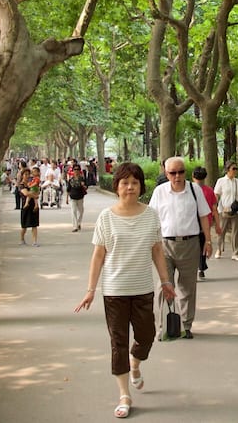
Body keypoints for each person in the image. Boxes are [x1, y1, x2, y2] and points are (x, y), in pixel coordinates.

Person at [73, 162, 175, 419]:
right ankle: (124, 394)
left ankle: (135, 364)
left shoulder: (150, 214)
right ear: (117, 186)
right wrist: (90, 289)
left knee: (147, 336)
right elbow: (98, 255)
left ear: (140, 186)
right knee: (118, 342)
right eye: (125, 183)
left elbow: (157, 251)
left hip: (142, 289)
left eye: (135, 183)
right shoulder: (106, 217)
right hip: (115, 291)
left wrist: (166, 281)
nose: (130, 187)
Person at [148, 156, 211, 339]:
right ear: (166, 174)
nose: (177, 176)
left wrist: (208, 240)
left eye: (180, 172)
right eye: (173, 173)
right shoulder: (160, 192)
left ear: (185, 172)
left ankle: (186, 325)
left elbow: (204, 216)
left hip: (190, 244)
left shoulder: (194, 190)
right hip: (164, 245)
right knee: (164, 286)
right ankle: (164, 327)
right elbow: (152, 219)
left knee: (188, 287)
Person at [191, 167, 221, 280]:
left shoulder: (189, 190)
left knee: (193, 247)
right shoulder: (209, 191)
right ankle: (201, 268)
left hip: (192, 224)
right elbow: (214, 210)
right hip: (206, 223)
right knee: (204, 245)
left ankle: (194, 269)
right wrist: (218, 225)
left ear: (193, 176)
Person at [213, 161, 238, 260]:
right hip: (224, 210)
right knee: (221, 231)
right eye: (233, 169)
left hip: (236, 210)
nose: (235, 171)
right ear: (227, 170)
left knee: (235, 232)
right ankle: (219, 249)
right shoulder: (221, 181)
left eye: (236, 169)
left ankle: (235, 253)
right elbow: (216, 194)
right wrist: (215, 207)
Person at [19, 167, 41, 246]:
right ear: (22, 175)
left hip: (34, 206)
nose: (27, 176)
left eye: (28, 174)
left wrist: (36, 195)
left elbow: (38, 191)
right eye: (25, 174)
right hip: (26, 206)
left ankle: (35, 241)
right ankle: (22, 239)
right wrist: (34, 196)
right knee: (24, 226)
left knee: (34, 225)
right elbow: (26, 193)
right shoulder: (21, 185)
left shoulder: (32, 182)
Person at [66, 162, 88, 232]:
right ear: (73, 171)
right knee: (73, 211)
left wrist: (83, 185)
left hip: (80, 197)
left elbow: (86, 187)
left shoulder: (82, 179)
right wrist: (67, 198)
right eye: (75, 169)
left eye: (77, 169)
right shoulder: (71, 180)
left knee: (81, 211)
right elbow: (68, 189)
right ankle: (75, 226)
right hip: (72, 197)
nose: (76, 171)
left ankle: (79, 222)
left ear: (79, 170)